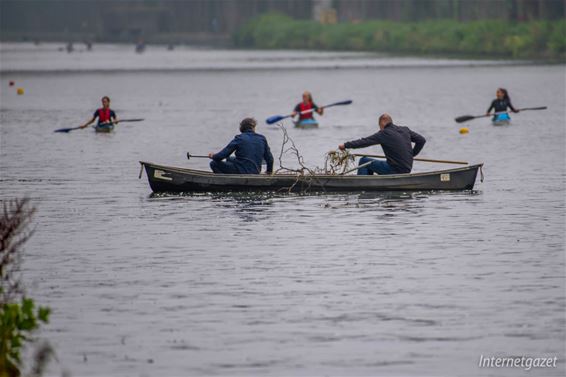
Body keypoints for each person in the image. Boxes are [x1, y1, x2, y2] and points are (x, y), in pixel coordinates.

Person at [338, 114, 426, 175]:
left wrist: (345, 145)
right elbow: (421, 140)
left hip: (395, 170)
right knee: (371, 163)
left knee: (364, 161)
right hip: (407, 169)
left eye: (379, 126)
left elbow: (364, 141)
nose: (380, 129)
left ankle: (361, 186)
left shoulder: (384, 133)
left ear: (382, 123)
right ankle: (370, 181)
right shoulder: (405, 129)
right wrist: (411, 154)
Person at [209, 118, 274, 175]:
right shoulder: (262, 138)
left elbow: (221, 156)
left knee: (213, 163)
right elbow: (270, 159)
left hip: (242, 170)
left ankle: (226, 182)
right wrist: (269, 172)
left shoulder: (239, 138)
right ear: (253, 128)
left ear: (241, 128)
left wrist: (213, 156)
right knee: (229, 158)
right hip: (256, 171)